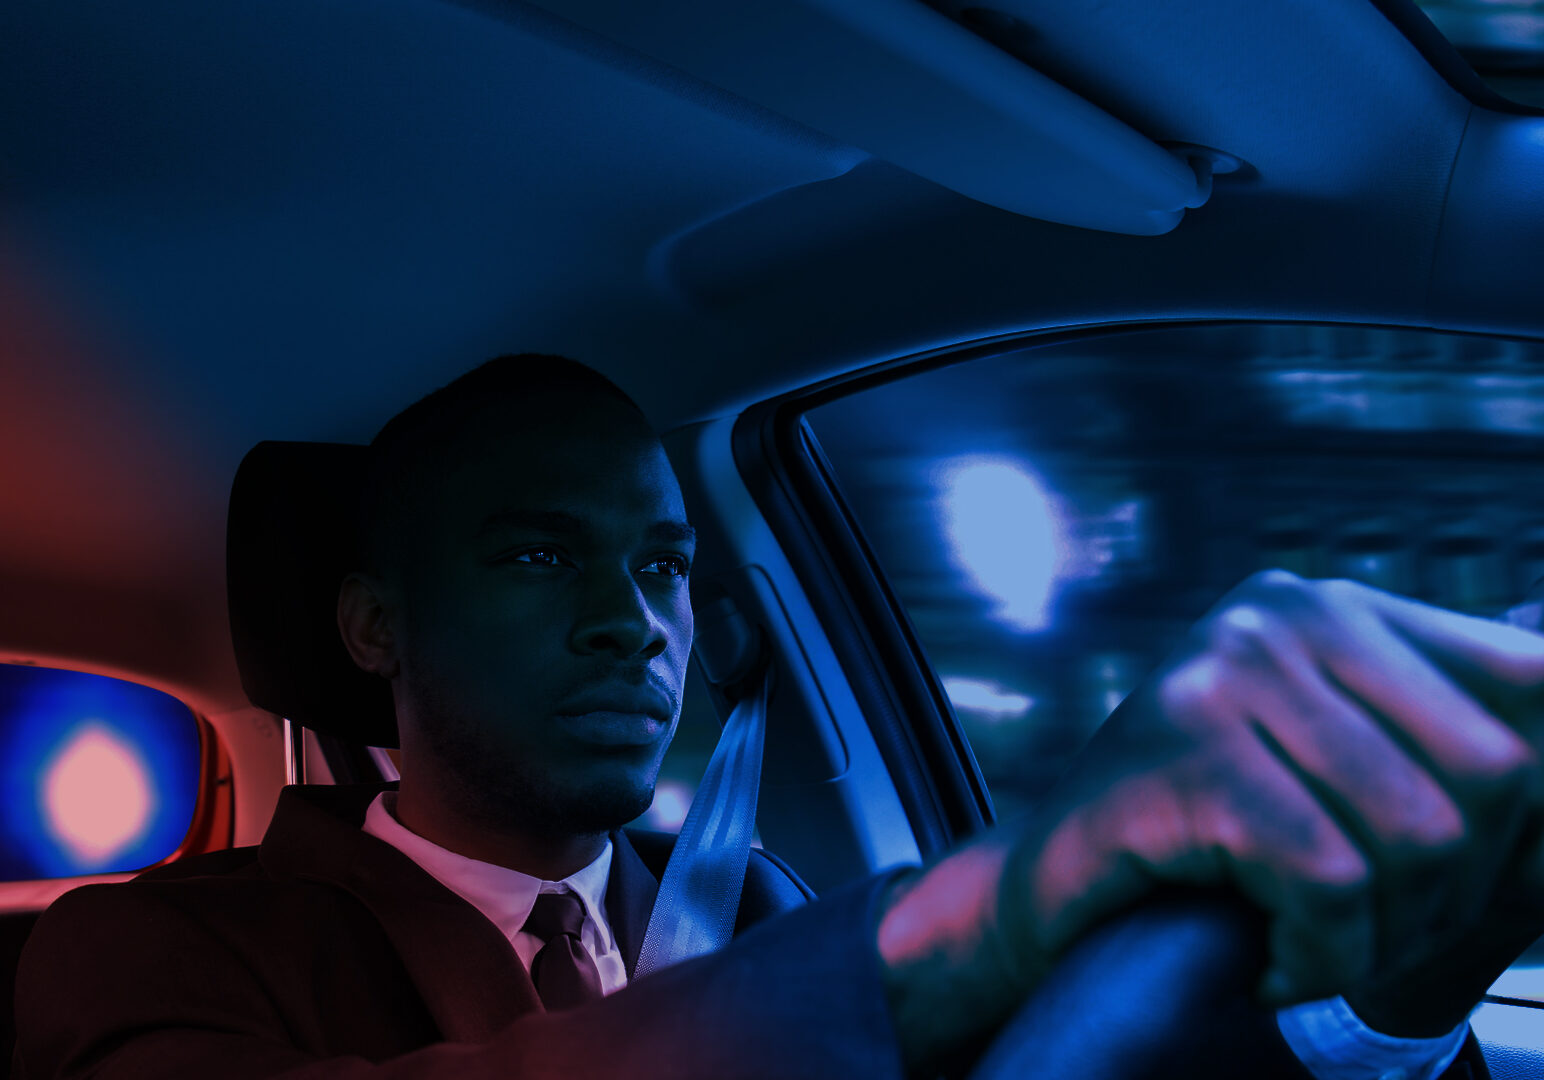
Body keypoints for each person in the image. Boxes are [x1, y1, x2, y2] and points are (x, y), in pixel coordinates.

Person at [14, 355, 1544, 1079]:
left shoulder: (758, 906)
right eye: (541, 554)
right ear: (372, 628)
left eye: (666, 564)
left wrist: (1397, 989)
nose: (633, 618)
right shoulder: (156, 948)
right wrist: (996, 900)